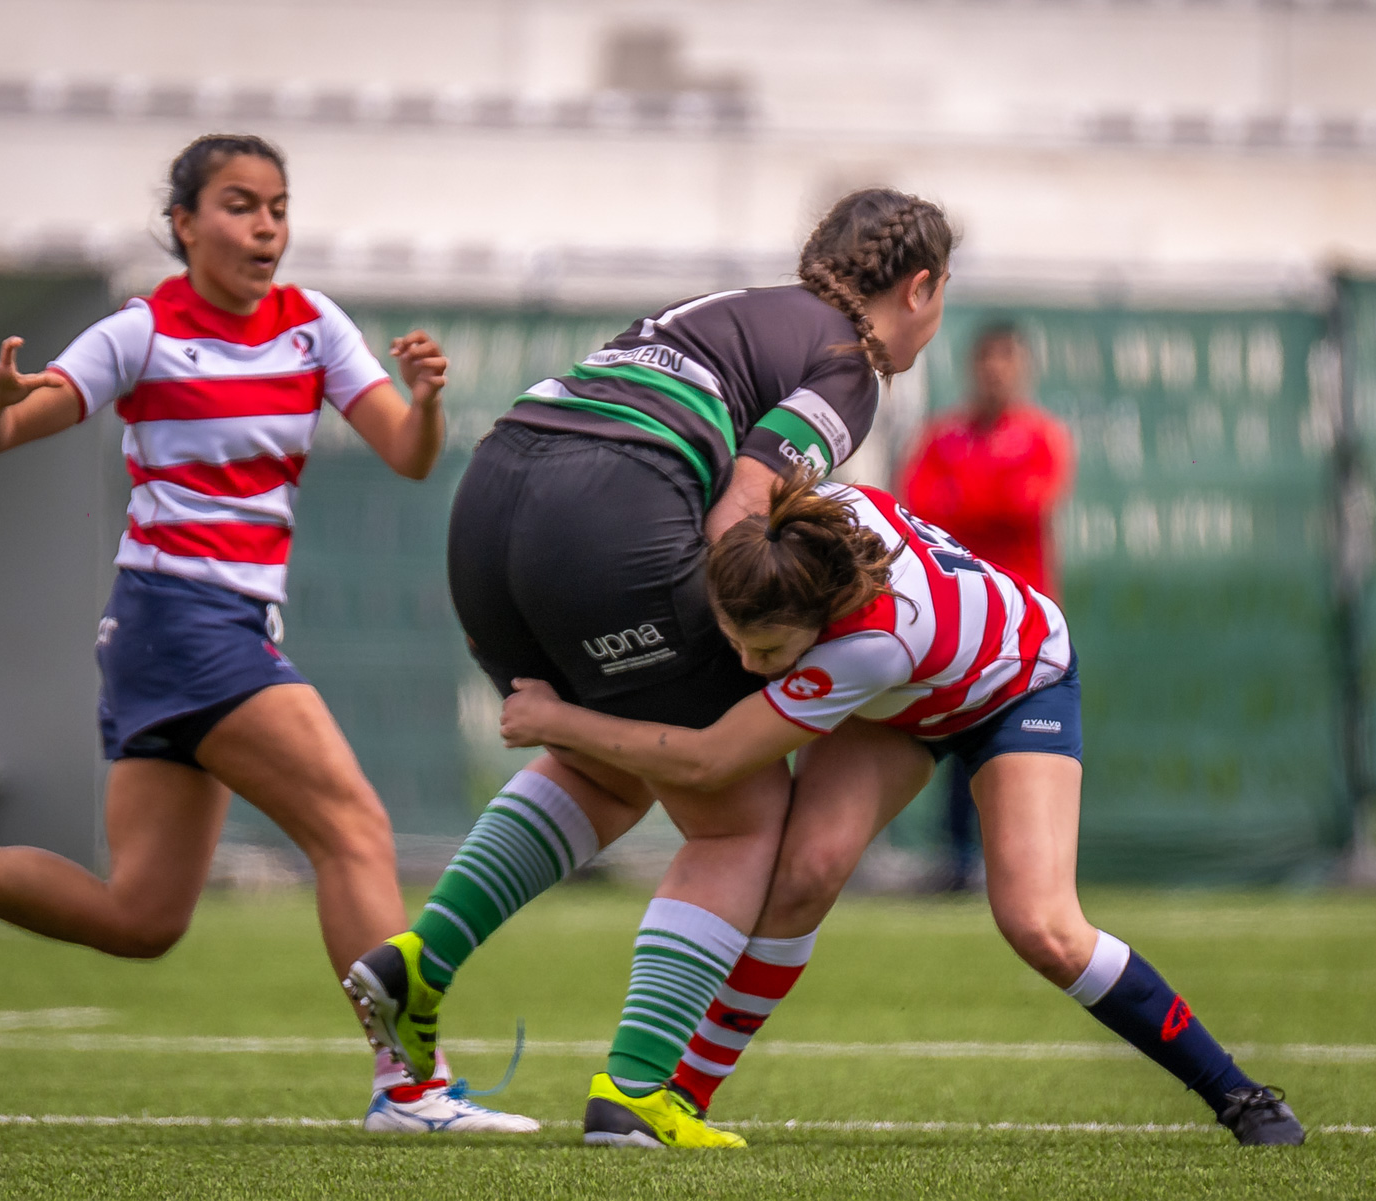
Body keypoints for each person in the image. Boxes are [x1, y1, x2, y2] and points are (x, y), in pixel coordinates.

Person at [0, 133, 530, 1134]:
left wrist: (426, 403)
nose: (266, 226)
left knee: (141, 918)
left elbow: (407, 456)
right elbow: (8, 428)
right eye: (239, 205)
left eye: (278, 207)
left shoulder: (314, 326)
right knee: (356, 828)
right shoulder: (139, 332)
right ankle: (409, 1087)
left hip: (193, 634)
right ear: (185, 223)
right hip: (182, 622)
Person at [344, 189, 956, 1147]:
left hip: (490, 508)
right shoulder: (850, 363)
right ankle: (632, 1090)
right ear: (921, 287)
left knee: (615, 762)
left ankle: (423, 961)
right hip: (605, 522)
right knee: (741, 807)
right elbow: (738, 515)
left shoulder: (732, 306)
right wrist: (769, 642)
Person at [499, 468, 1306, 1147]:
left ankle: (1240, 1094)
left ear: (818, 621)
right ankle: (683, 1097)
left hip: (1015, 685)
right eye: (736, 640)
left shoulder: (870, 643)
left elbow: (712, 758)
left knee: (1043, 926)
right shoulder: (790, 537)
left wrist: (558, 722)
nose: (748, 663)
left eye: (769, 653)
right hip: (905, 701)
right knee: (805, 871)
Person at [899, 323, 1074, 891]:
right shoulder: (941, 437)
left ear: (1023, 368)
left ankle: (1023, 869)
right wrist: (987, 493)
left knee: (1020, 750)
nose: (996, 371)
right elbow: (919, 508)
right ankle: (956, 861)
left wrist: (966, 496)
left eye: (1007, 359)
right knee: (939, 742)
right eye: (987, 359)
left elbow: (1027, 504)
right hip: (952, 625)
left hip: (1024, 629)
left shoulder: (1043, 437)